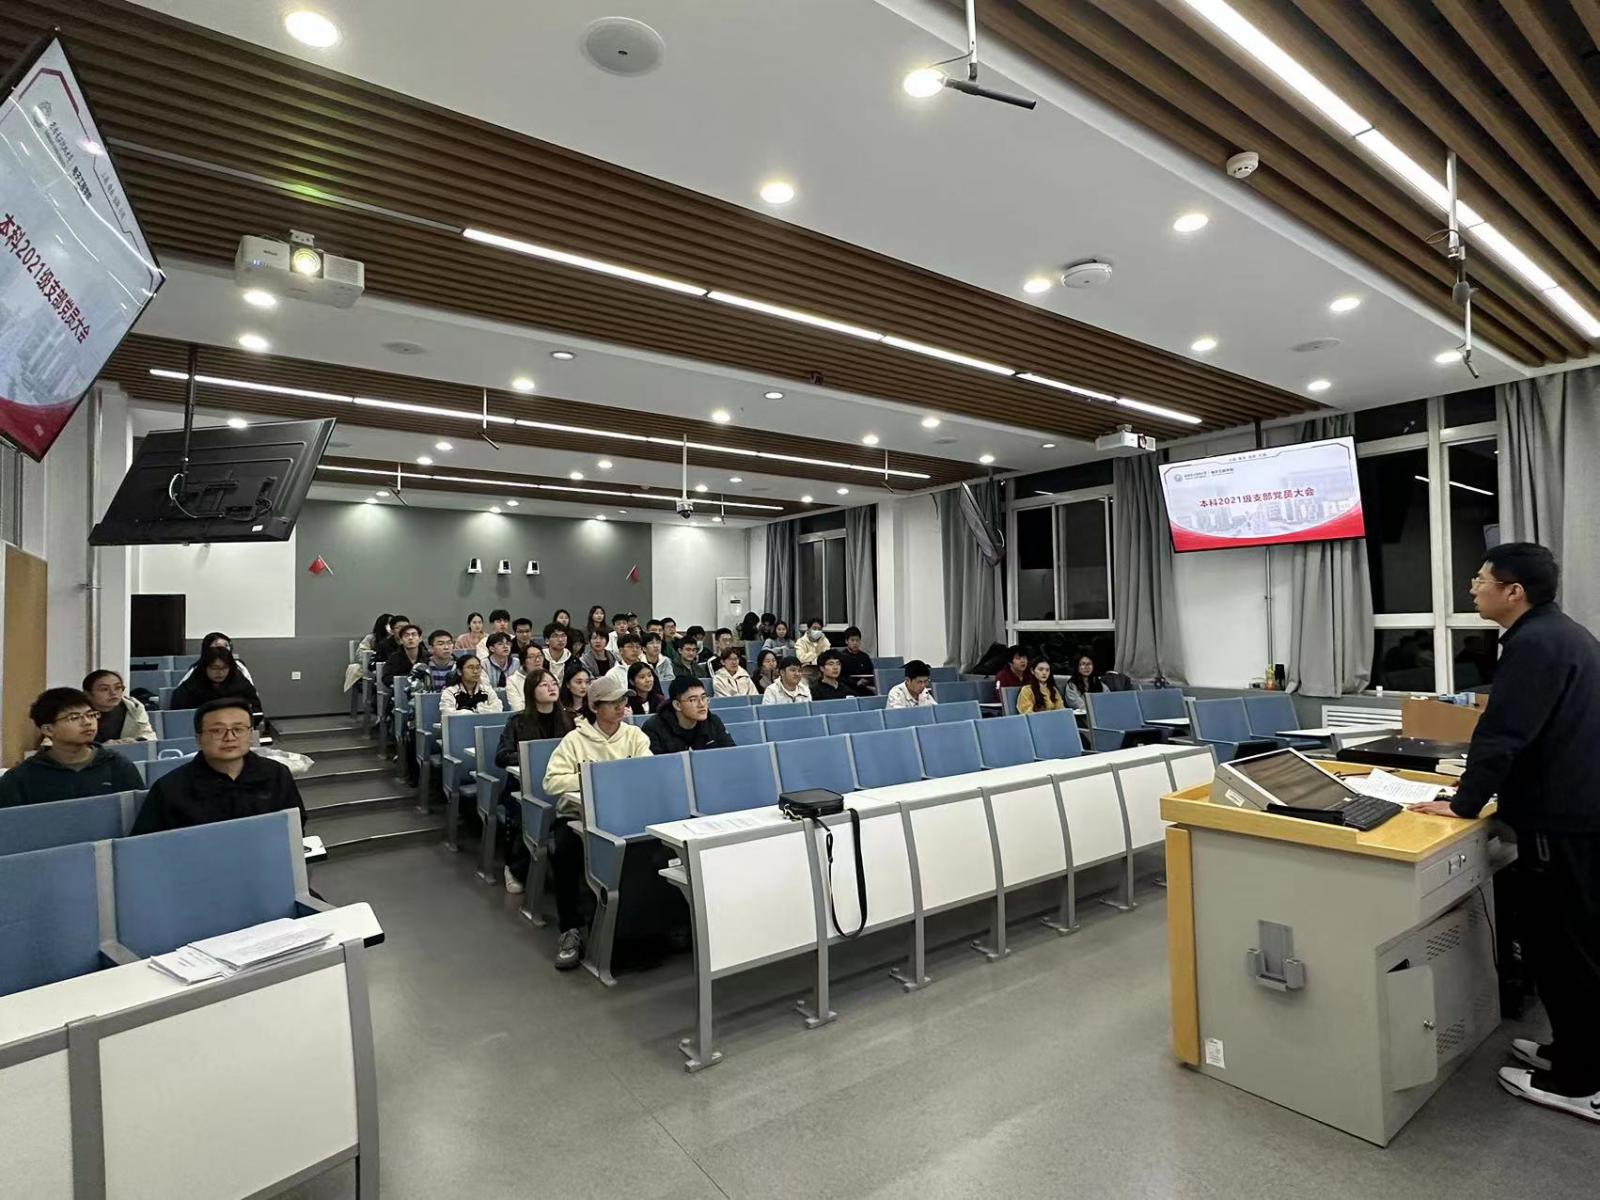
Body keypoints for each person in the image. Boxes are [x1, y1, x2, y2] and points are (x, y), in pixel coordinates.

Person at [1410, 544, 1600, 1121]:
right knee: (1569, 943)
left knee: (1565, 951)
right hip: (1576, 812)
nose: (1473, 587)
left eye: (1481, 578)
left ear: (1513, 591)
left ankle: (1580, 1083)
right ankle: (1571, 1051)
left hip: (1559, 821)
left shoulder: (1535, 644)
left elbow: (1503, 734)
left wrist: (1463, 804)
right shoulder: (1565, 635)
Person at [541, 675, 652, 969]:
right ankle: (570, 929)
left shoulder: (635, 736)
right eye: (613, 702)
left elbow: (647, 771)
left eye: (623, 701)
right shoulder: (574, 741)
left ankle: (643, 928)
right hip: (577, 816)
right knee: (565, 851)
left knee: (650, 849)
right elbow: (551, 782)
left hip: (624, 815)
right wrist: (592, 777)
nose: (621, 706)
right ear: (594, 707)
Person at [130, 698, 305, 834]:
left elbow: (295, 826)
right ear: (199, 738)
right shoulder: (170, 788)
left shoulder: (276, 774)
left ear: (250, 734)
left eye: (239, 729)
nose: (230, 737)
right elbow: (148, 845)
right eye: (217, 730)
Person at [494, 669, 575, 894]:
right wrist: (534, 756)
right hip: (524, 787)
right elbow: (501, 756)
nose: (551, 688)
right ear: (531, 691)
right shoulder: (518, 721)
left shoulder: (569, 719)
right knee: (527, 812)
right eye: (543, 685)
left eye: (553, 683)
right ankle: (514, 867)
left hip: (561, 786)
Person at [0, 689, 143, 808]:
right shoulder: (21, 778)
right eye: (74, 717)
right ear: (48, 730)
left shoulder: (117, 765)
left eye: (91, 715)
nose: (87, 722)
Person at [643, 676, 735, 755]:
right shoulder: (653, 728)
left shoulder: (713, 721)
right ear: (677, 705)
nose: (702, 704)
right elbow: (657, 766)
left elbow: (731, 755)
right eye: (693, 700)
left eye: (703, 697)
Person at [171, 647, 262, 714]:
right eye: (214, 668)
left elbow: (256, 709)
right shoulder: (190, 687)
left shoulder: (240, 683)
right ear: (205, 667)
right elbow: (179, 714)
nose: (220, 672)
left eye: (225, 668)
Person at [83, 669, 156, 743]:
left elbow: (149, 736)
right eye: (104, 689)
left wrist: (133, 741)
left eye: (117, 687)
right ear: (88, 694)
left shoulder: (134, 707)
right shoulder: (79, 713)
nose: (113, 693)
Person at [178, 632, 255, 684]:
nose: (223, 649)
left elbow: (251, 692)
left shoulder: (239, 667)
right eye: (217, 646)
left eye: (226, 645)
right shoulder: (196, 668)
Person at [506, 643, 547, 711]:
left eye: (540, 656)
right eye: (532, 657)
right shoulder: (512, 681)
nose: (537, 660)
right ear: (524, 662)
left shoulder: (551, 678)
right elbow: (517, 708)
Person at [834, 627, 876, 692]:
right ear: (846, 641)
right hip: (846, 689)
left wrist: (866, 681)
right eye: (852, 640)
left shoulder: (865, 657)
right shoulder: (841, 657)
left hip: (865, 688)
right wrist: (855, 683)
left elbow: (871, 674)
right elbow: (839, 677)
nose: (855, 643)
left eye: (857, 640)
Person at [543, 622, 573, 687]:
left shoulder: (573, 661)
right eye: (555, 636)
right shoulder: (540, 659)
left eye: (563, 636)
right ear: (547, 640)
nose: (560, 639)